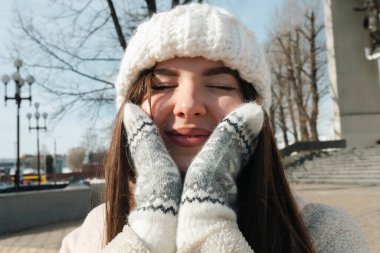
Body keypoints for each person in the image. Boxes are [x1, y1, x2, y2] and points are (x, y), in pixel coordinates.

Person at [60, 3, 370, 253]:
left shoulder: (323, 233)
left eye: (220, 84)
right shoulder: (87, 238)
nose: (189, 104)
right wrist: (149, 230)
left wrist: (208, 220)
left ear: (253, 108)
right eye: (162, 85)